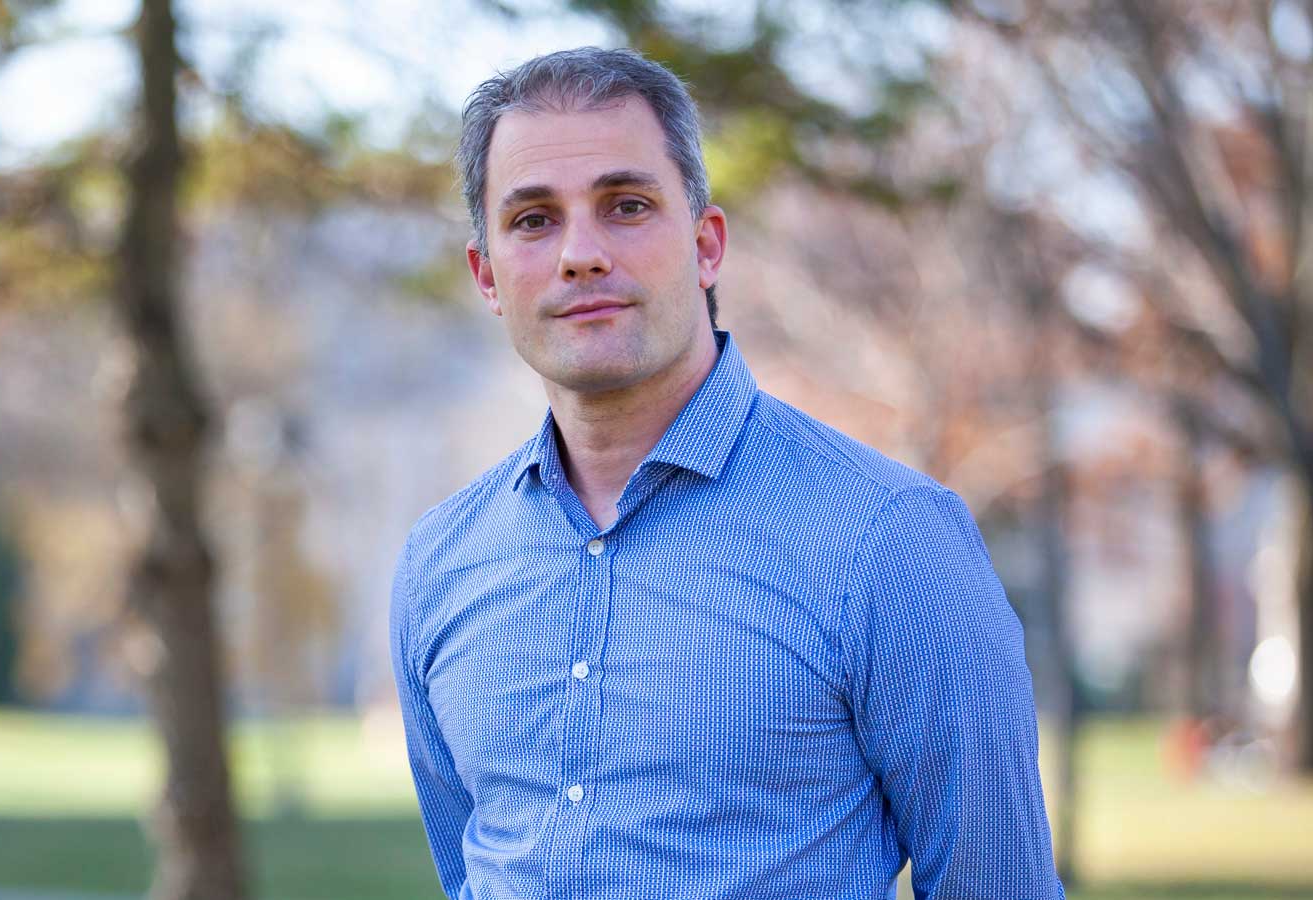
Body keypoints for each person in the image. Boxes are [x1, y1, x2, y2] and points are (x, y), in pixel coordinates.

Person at [390, 47, 1063, 900]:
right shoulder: (439, 563)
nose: (580, 254)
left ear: (706, 245)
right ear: (487, 274)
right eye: (532, 220)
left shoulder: (890, 541)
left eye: (626, 205)